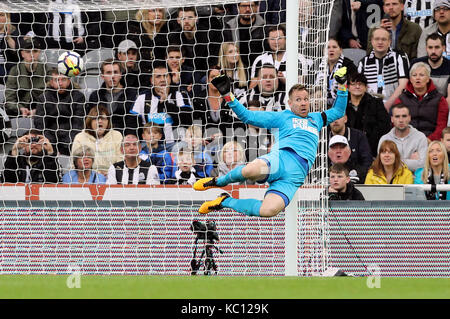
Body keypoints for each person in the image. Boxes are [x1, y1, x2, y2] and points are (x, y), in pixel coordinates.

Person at [192, 66, 349, 217]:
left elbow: (338, 111)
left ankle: (225, 202)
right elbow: (248, 116)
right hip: (278, 162)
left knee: (268, 210)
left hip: (293, 178)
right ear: (290, 103)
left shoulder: (317, 119)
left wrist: (342, 85)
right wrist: (228, 95)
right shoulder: (282, 117)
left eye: (306, 99)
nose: (303, 103)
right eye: (298, 99)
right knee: (250, 171)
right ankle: (219, 181)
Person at [130, 61, 193, 148]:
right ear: (152, 80)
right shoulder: (142, 97)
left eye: (166, 76)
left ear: (170, 79)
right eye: (158, 77)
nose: (163, 79)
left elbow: (188, 120)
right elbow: (132, 124)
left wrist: (166, 104)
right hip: (149, 145)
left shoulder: (181, 94)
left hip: (176, 144)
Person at [33, 68, 85, 156]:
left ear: (69, 81)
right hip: (49, 141)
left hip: (71, 142)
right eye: (56, 80)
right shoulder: (43, 98)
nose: (60, 83)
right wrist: (52, 144)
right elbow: (40, 124)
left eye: (63, 79)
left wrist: (67, 144)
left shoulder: (78, 97)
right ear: (52, 82)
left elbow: (78, 124)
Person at [394, 62, 449, 142]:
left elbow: (441, 126)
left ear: (428, 79)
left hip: (431, 141)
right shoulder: (401, 99)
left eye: (421, 75)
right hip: (407, 139)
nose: (417, 78)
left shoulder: (440, 99)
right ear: (411, 79)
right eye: (414, 75)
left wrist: (430, 139)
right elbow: (395, 123)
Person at [358, 27, 409, 111]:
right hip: (370, 108)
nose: (380, 42)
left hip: (394, 106)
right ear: (372, 41)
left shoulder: (399, 57)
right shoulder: (363, 62)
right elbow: (360, 88)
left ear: (389, 42)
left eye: (384, 39)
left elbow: (403, 85)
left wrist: (387, 105)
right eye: (377, 39)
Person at [87, 59, 138, 136]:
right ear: (102, 76)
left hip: (124, 138)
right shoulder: (95, 96)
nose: (113, 76)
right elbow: (91, 122)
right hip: (101, 138)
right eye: (108, 73)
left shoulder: (132, 95)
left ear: (121, 74)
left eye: (115, 72)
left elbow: (134, 122)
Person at [345, 72, 391, 156]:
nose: (357, 86)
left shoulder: (376, 103)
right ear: (348, 87)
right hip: (348, 148)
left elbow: (385, 126)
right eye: (353, 84)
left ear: (366, 87)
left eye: (360, 84)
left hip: (372, 149)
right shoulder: (343, 105)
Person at [193, 67, 245, 139]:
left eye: (218, 77)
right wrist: (200, 139)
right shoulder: (198, 100)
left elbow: (236, 124)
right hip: (203, 142)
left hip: (227, 141)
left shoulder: (231, 99)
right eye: (212, 77)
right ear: (207, 80)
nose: (215, 80)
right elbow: (196, 124)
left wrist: (223, 136)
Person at [71, 105, 123, 176]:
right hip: (87, 178)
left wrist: (111, 174)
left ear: (108, 122)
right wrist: (94, 175)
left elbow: (121, 161)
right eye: (96, 118)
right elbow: (74, 164)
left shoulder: (116, 136)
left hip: (113, 177)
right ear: (90, 121)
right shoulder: (80, 138)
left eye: (103, 119)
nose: (100, 121)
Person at [378, 103, 428, 172]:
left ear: (409, 118)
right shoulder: (384, 139)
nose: (401, 120)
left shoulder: (420, 137)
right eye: (397, 116)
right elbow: (382, 165)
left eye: (404, 116)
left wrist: (393, 161)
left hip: (415, 180)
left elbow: (423, 164)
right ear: (392, 119)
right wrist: (412, 162)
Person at [4, 37, 46, 117]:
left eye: (35, 51)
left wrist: (38, 110)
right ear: (22, 54)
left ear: (39, 52)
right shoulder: (15, 70)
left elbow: (51, 98)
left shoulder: (47, 70)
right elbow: (9, 99)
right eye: (28, 51)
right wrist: (20, 109)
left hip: (42, 112)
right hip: (19, 111)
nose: (32, 54)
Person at [316, 37, 357, 108]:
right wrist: (317, 91)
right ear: (323, 51)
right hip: (320, 105)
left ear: (341, 50)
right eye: (328, 47)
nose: (331, 50)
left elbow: (353, 87)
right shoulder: (316, 65)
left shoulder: (349, 65)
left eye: (334, 47)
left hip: (343, 105)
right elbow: (309, 85)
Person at [223, 1, 265, 68]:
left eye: (251, 6)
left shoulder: (265, 28)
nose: (248, 9)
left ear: (257, 7)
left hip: (258, 69)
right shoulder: (228, 28)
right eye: (243, 6)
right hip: (236, 69)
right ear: (238, 8)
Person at [411, 33, 450, 104]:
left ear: (443, 48)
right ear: (426, 48)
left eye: (437, 47)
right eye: (430, 47)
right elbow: (409, 91)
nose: (433, 51)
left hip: (442, 105)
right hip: (418, 105)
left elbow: (449, 98)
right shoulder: (416, 64)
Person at [0, 10, 19, 84]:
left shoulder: (14, 31)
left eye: (1, 15)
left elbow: (16, 51)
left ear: (7, 18)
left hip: (9, 64)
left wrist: (8, 37)